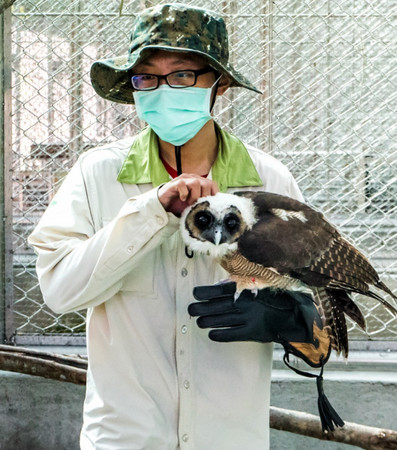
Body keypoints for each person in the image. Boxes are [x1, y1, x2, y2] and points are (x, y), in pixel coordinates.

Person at [29, 3, 330, 449]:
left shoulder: (269, 182)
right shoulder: (97, 174)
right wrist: (149, 213)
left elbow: (319, 312)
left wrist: (287, 314)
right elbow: (59, 290)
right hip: (127, 437)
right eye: (147, 76)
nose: (163, 89)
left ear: (220, 84)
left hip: (229, 438)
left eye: (184, 75)